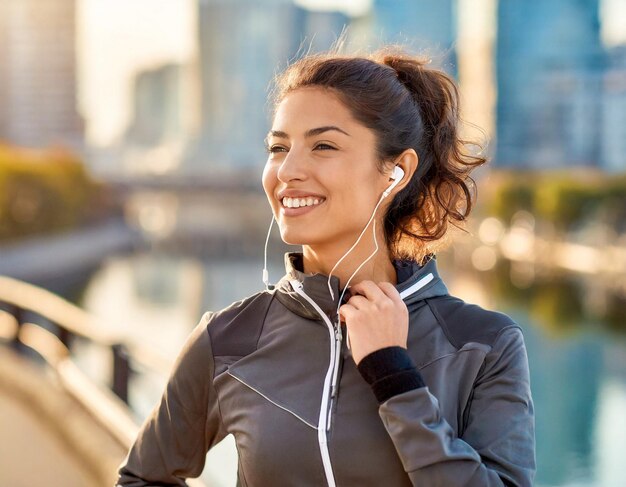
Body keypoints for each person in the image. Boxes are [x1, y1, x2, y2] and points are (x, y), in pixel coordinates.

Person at [117, 48, 535, 487]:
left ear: (396, 171)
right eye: (278, 147)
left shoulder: (484, 344)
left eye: (323, 146)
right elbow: (143, 479)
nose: (288, 170)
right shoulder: (227, 339)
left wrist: (394, 375)